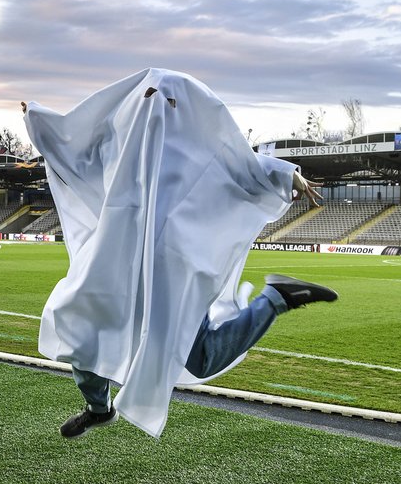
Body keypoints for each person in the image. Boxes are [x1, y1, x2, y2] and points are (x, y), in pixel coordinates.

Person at [22, 68, 338, 439]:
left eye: (171, 101)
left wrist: (287, 175)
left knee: (200, 357)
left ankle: (276, 298)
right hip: (119, 255)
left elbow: (240, 163)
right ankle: (98, 408)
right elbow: (81, 143)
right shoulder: (127, 142)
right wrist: (39, 121)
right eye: (150, 96)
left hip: (176, 267)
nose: (158, 106)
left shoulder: (201, 150)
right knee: (78, 325)